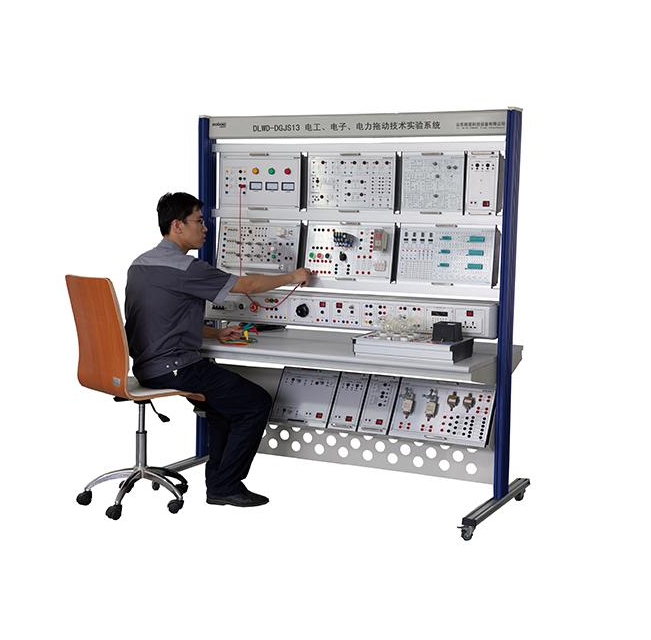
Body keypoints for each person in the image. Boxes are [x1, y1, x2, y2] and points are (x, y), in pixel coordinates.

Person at [125, 192, 311, 507]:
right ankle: (226, 485)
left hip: (147, 367)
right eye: (199, 221)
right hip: (176, 368)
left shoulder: (139, 264)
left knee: (223, 404)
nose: (205, 228)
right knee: (255, 403)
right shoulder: (186, 268)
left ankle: (220, 485)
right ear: (177, 226)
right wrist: (294, 276)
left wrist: (216, 333)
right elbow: (246, 286)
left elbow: (161, 318)